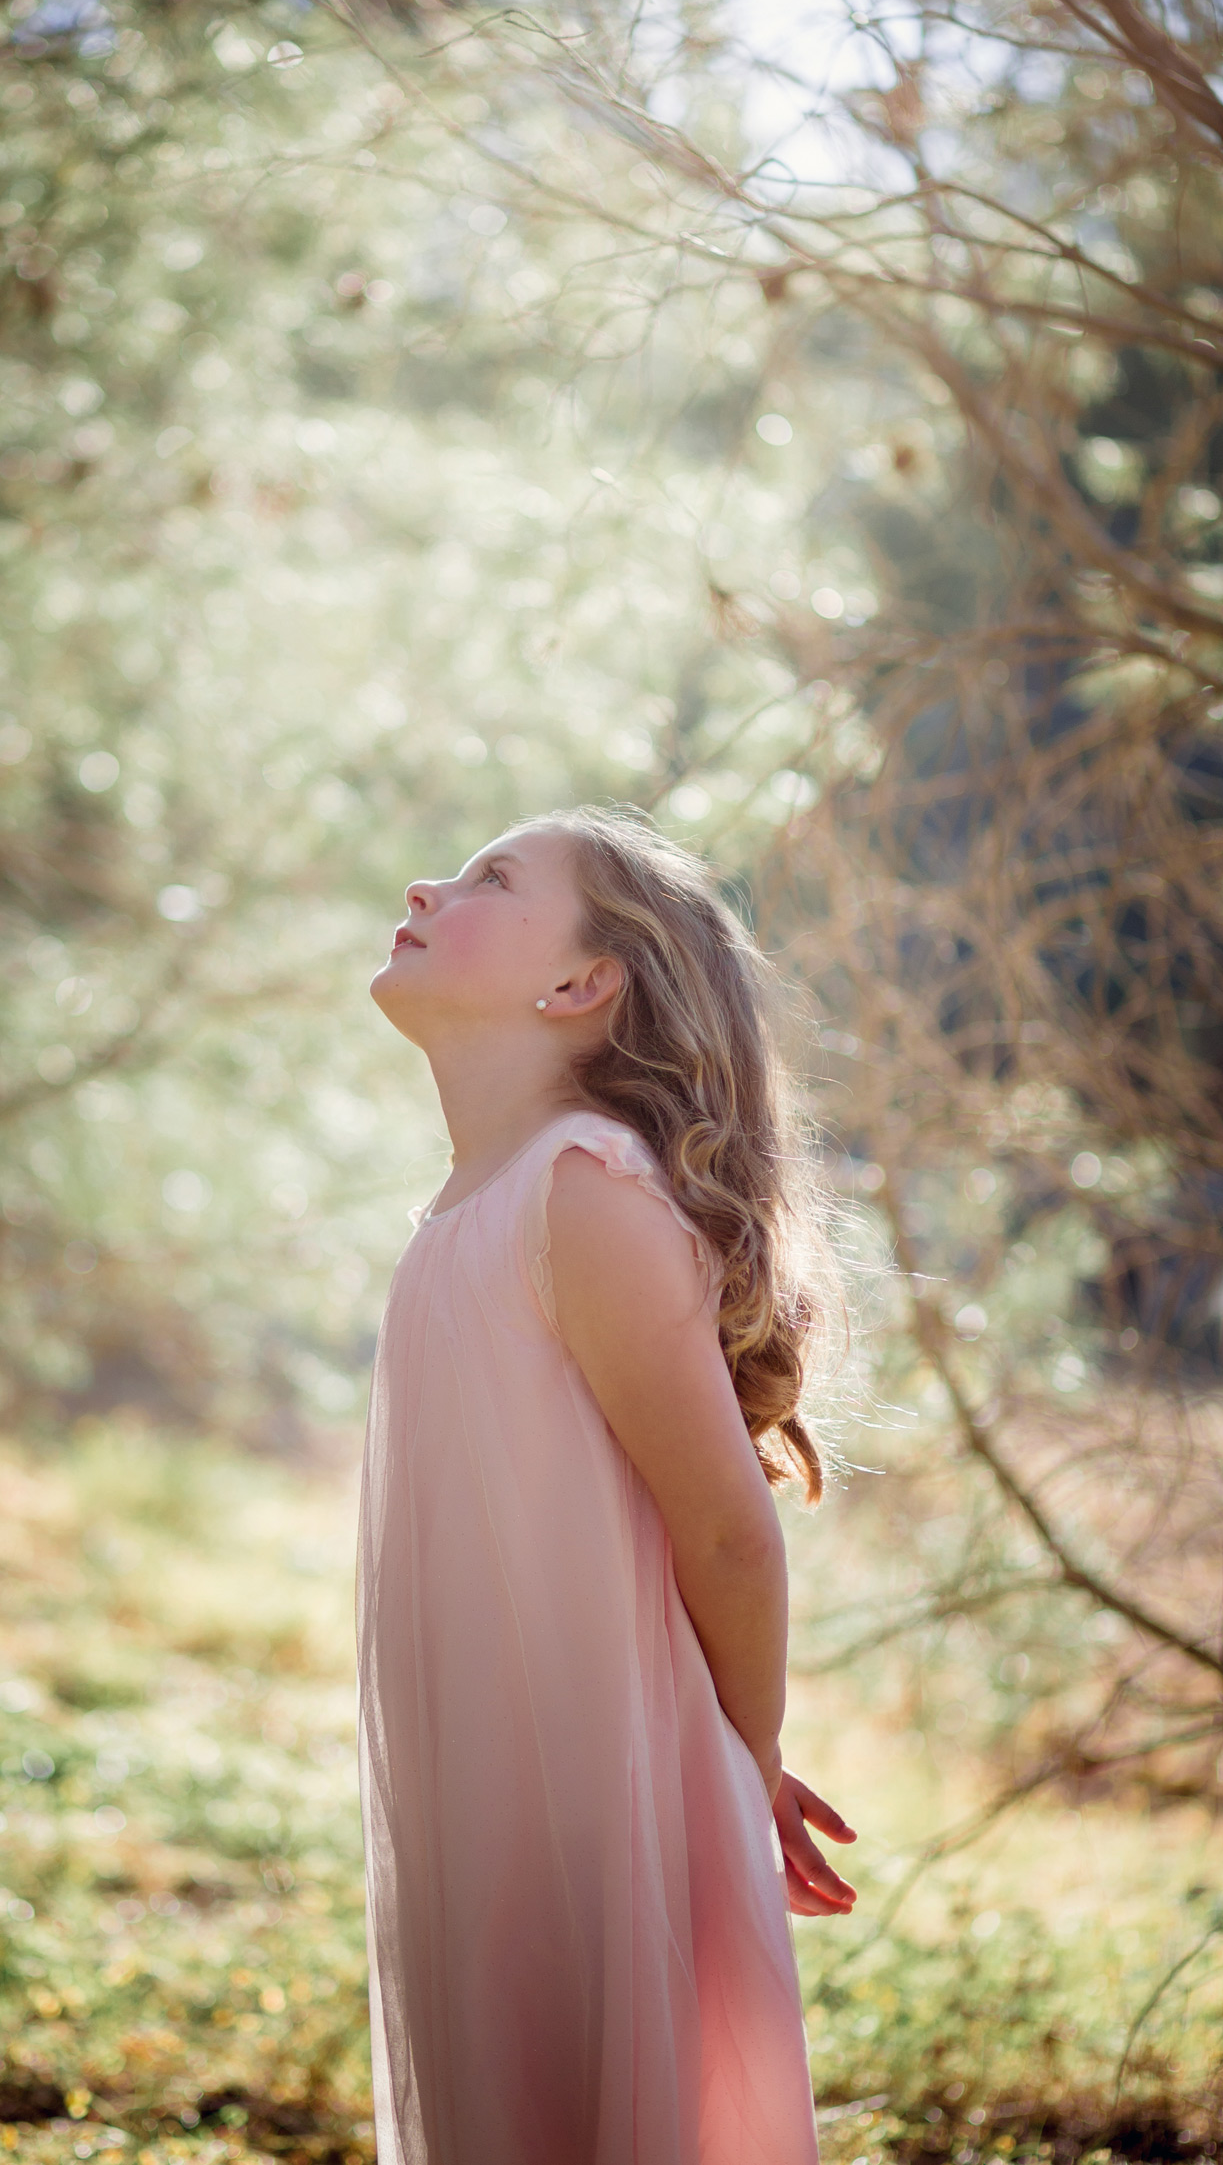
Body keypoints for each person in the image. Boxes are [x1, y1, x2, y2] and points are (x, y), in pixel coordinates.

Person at [359, 805, 857, 2165]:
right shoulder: (470, 1200)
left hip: (603, 1788)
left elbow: (728, 1533)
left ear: (581, 984)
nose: (427, 878)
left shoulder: (586, 1191)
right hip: (494, 1775)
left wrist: (737, 1768)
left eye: (489, 875)